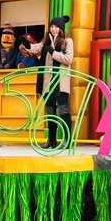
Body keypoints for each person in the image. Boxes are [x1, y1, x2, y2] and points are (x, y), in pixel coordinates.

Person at [25, 16, 74, 149]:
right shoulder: (46, 40)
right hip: (48, 80)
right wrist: (26, 44)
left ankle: (67, 139)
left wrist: (52, 52)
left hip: (61, 80)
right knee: (50, 111)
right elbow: (37, 48)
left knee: (63, 110)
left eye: (56, 27)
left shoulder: (67, 41)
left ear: (61, 28)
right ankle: (51, 140)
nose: (54, 29)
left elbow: (68, 59)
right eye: (52, 27)